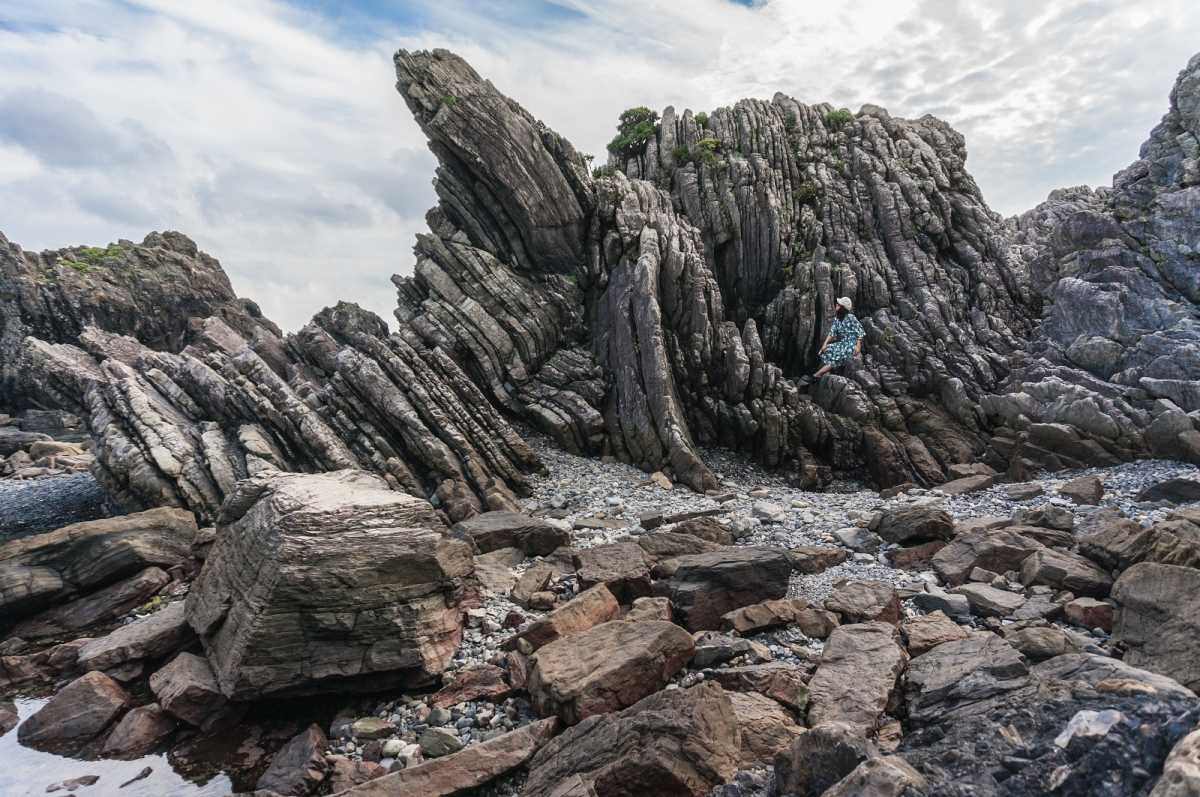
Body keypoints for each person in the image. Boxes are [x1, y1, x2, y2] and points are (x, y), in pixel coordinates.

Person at [801, 296, 863, 385]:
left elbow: (859, 331)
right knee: (823, 351)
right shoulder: (837, 319)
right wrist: (824, 345)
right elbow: (832, 333)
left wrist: (858, 346)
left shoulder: (851, 317)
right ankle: (814, 372)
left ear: (843, 307)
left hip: (851, 344)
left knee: (838, 355)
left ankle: (817, 375)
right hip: (843, 343)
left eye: (838, 304)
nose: (836, 305)